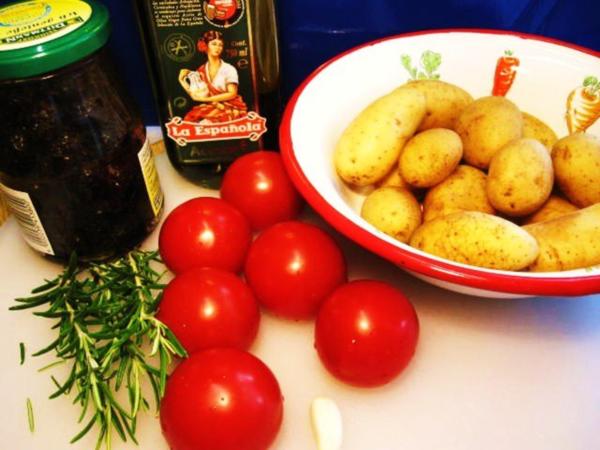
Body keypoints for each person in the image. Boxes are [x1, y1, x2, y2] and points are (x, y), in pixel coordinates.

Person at [179, 30, 248, 123]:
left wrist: (208, 99)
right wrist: (182, 80)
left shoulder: (228, 69)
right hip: (213, 106)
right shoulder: (201, 70)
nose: (218, 47)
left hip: (232, 107)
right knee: (190, 119)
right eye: (214, 44)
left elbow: (232, 93)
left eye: (220, 45)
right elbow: (195, 96)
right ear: (205, 46)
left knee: (207, 123)